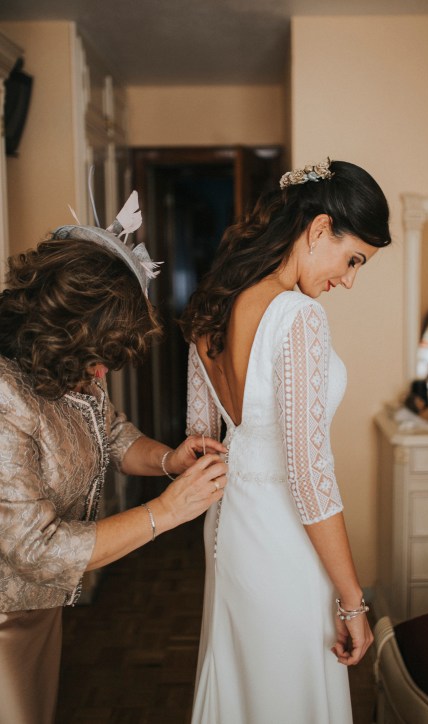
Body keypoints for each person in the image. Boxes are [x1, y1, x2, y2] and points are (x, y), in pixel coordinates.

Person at [0, 193, 227, 724]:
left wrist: (170, 460)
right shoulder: (5, 398)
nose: (105, 373)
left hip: (37, 606)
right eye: (101, 356)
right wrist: (166, 511)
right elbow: (36, 548)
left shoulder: (69, 370)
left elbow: (112, 432)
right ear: (63, 328)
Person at [180, 159, 391, 723]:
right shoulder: (298, 317)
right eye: (353, 259)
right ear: (320, 229)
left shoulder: (214, 307)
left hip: (227, 529)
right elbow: (309, 476)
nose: (348, 279)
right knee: (289, 694)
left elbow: (200, 441)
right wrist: (353, 602)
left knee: (244, 684)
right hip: (282, 537)